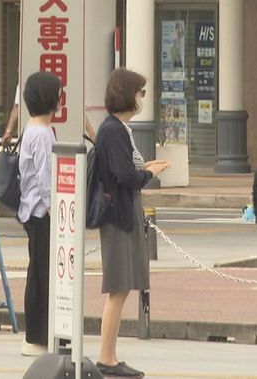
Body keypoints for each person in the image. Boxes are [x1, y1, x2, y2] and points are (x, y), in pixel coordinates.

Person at [93, 68, 171, 377]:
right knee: (119, 286)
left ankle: (110, 355)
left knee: (122, 286)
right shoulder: (114, 130)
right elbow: (126, 175)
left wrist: (148, 168)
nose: (142, 98)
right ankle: (105, 357)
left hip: (123, 211)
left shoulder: (117, 128)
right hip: (118, 215)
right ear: (127, 94)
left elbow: (124, 169)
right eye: (140, 92)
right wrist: (150, 173)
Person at [16, 71, 62, 357]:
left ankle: (35, 335)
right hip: (41, 212)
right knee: (43, 276)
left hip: (28, 210)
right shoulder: (43, 133)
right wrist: (55, 210)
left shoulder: (30, 128)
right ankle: (37, 336)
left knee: (37, 272)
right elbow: (47, 178)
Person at [2, 81, 97, 146]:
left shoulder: (30, 81)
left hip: (37, 133)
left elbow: (17, 106)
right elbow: (18, 106)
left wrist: (8, 132)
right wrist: (92, 134)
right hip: (47, 136)